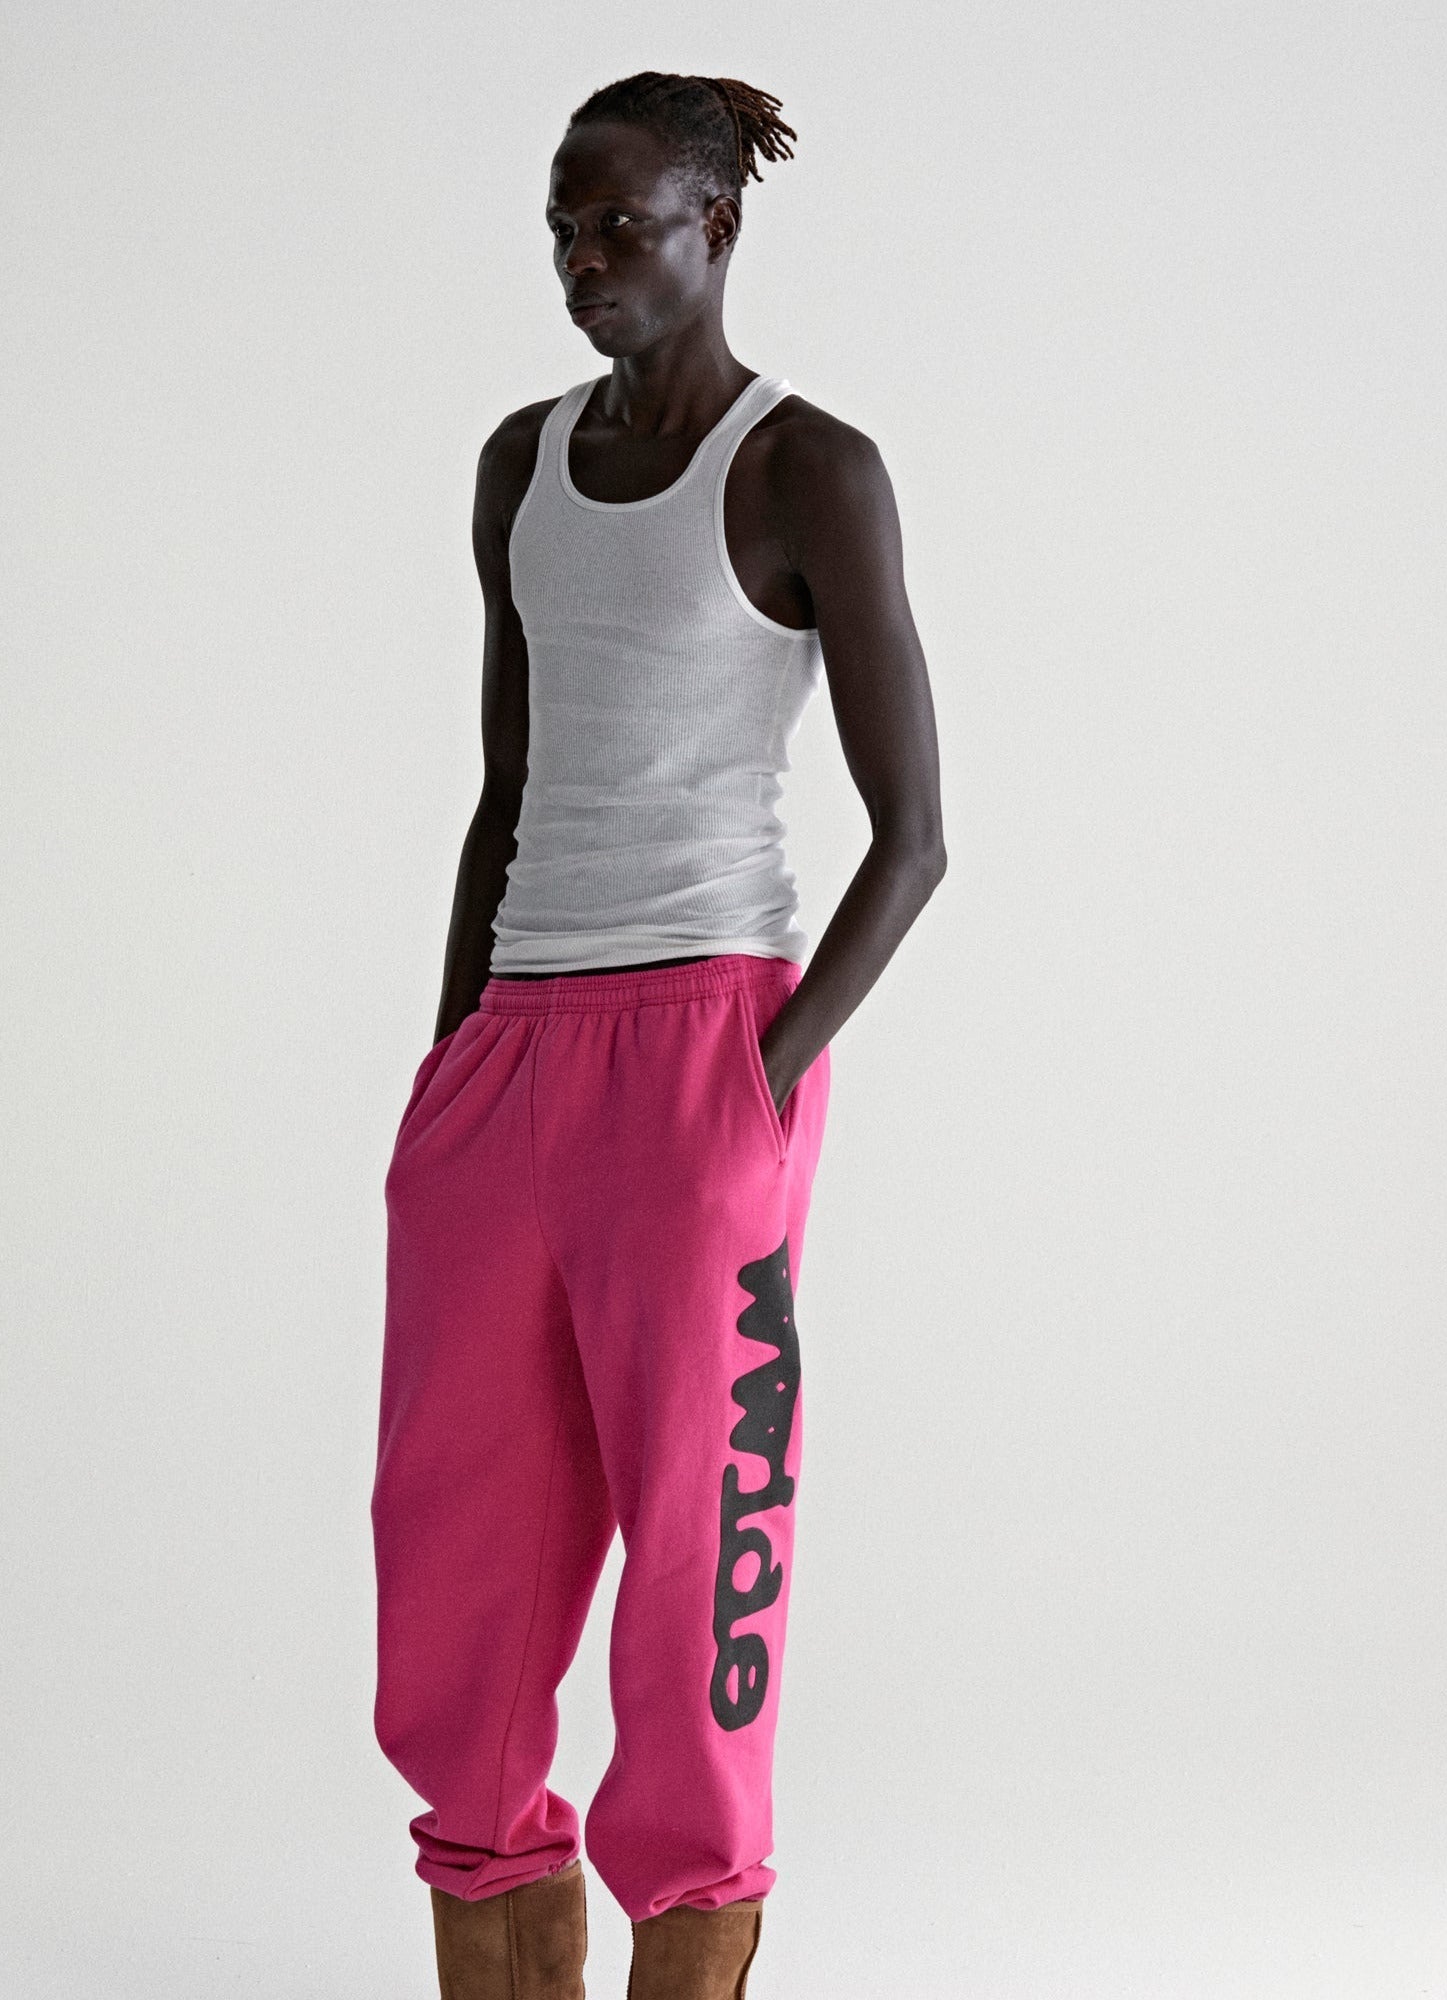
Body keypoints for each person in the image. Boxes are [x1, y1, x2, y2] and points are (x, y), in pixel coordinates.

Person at [371, 72, 945, 2000]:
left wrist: (763, 1083)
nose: (583, 260)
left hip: (705, 1041)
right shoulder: (517, 465)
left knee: (701, 1555)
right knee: (455, 1553)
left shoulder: (807, 471)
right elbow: (505, 787)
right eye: (562, 226)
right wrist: (449, 1063)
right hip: (510, 1057)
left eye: (621, 223)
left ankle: (691, 1947)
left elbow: (915, 837)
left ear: (719, 226)